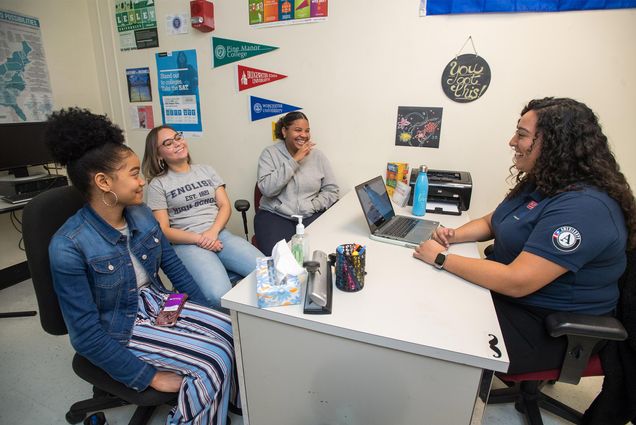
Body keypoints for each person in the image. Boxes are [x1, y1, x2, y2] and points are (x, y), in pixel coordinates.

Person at [413, 97, 636, 374]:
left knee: (434, 333)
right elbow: (494, 222)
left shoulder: (584, 207)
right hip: (513, 299)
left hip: (549, 326)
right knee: (431, 298)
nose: (511, 141)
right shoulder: (544, 182)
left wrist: (442, 259)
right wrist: (453, 235)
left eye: (522, 135)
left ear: (557, 144)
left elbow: (518, 281)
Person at [46, 108, 239, 425]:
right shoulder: (69, 245)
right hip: (119, 322)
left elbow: (175, 269)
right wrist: (148, 376)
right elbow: (85, 336)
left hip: (158, 301)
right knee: (211, 360)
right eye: (134, 173)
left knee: (234, 331)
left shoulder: (141, 216)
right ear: (104, 181)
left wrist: (209, 315)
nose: (142, 180)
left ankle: (216, 409)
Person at [142, 125, 263, 310]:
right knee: (218, 296)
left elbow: (224, 206)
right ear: (158, 155)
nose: (177, 143)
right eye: (168, 143)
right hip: (188, 243)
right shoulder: (158, 185)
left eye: (178, 137)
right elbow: (164, 230)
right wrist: (201, 239)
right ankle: (230, 335)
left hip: (219, 235)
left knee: (267, 272)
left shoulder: (206, 170)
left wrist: (213, 232)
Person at [254, 111, 339, 255]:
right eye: (298, 130)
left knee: (318, 255)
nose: (304, 135)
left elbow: (331, 190)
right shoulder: (269, 154)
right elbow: (267, 189)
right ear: (284, 131)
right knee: (282, 259)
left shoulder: (318, 156)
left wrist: (313, 205)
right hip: (275, 215)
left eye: (307, 131)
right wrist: (294, 161)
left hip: (309, 214)